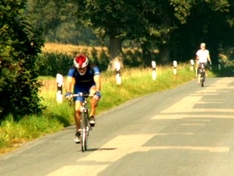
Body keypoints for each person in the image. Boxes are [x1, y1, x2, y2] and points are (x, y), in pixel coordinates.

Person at [65, 54, 101, 143]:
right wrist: (68, 92)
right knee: (77, 109)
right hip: (79, 88)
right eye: (79, 68)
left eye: (83, 68)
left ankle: (92, 116)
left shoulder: (93, 68)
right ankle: (78, 131)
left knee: (94, 95)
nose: (81, 70)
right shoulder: (72, 70)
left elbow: (97, 81)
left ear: (87, 65)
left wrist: (97, 92)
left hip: (91, 86)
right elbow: (68, 82)